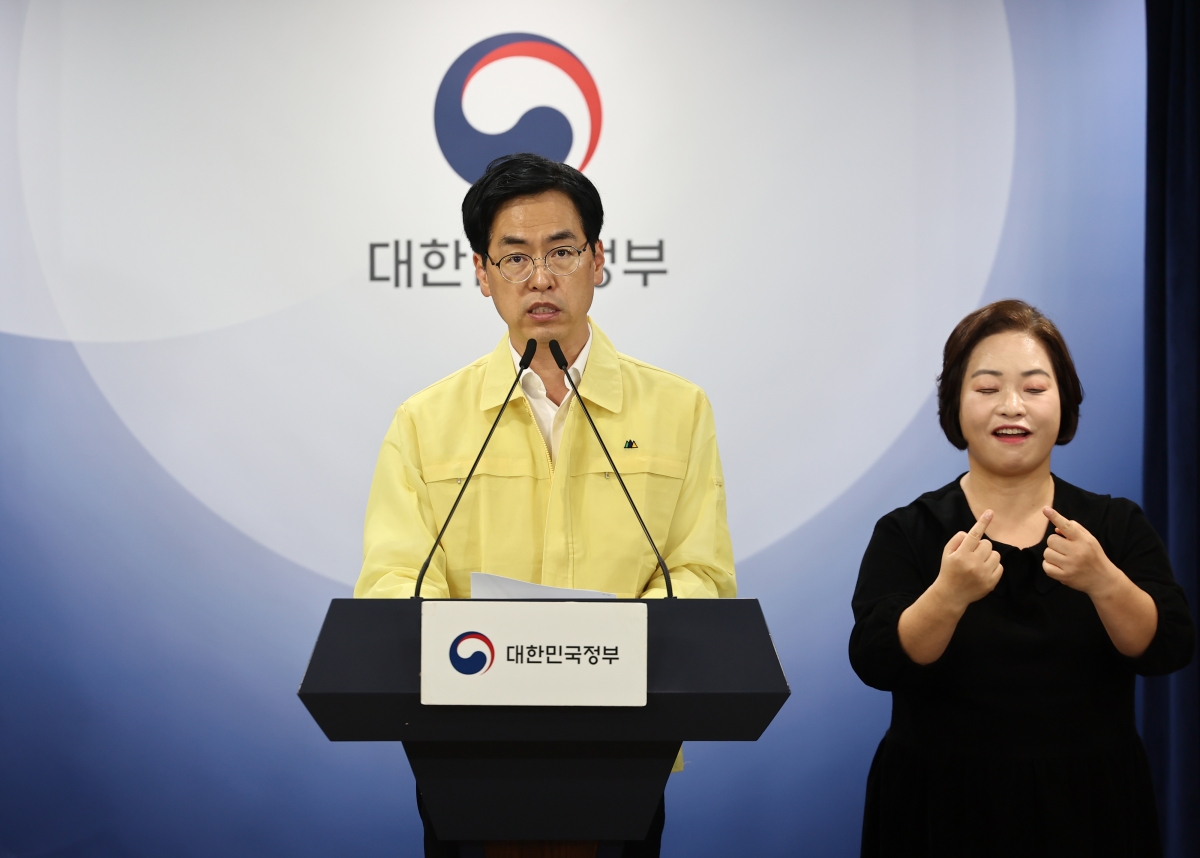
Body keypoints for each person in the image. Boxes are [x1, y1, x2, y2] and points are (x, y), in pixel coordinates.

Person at [355, 153, 737, 857]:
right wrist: (481, 661)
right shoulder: (425, 421)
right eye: (514, 257)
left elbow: (700, 574)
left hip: (625, 745)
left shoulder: (679, 410)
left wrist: (602, 653)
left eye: (562, 251)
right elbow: (393, 582)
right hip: (467, 749)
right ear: (481, 273)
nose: (540, 277)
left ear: (598, 260)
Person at [849, 299, 1194, 858]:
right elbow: (876, 660)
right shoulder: (908, 531)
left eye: (1034, 388)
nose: (1012, 407)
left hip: (1091, 804)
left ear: (1065, 402)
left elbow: (1168, 647)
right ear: (955, 405)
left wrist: (1103, 580)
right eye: (987, 388)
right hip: (940, 804)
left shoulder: (1114, 525)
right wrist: (948, 595)